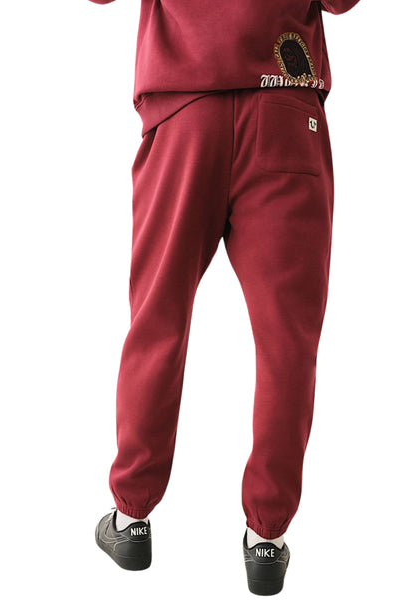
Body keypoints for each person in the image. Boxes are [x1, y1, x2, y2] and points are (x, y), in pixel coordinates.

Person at [89, 0, 361, 594]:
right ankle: (266, 536)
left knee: (158, 318)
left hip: (184, 109)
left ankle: (131, 517)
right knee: (288, 342)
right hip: (285, 105)